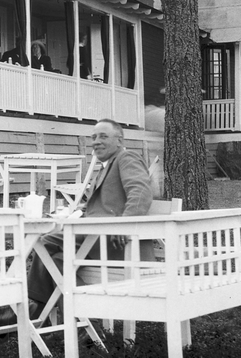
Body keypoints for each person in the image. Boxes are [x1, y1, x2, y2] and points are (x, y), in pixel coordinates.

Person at [27, 118, 152, 315]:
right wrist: (77, 213)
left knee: (44, 242)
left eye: (103, 136)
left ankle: (35, 308)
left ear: (119, 140)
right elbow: (99, 205)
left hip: (116, 242)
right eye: (93, 137)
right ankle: (81, 319)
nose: (96, 142)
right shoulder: (106, 166)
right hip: (94, 238)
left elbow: (140, 191)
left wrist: (125, 224)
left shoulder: (127, 158)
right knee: (57, 260)